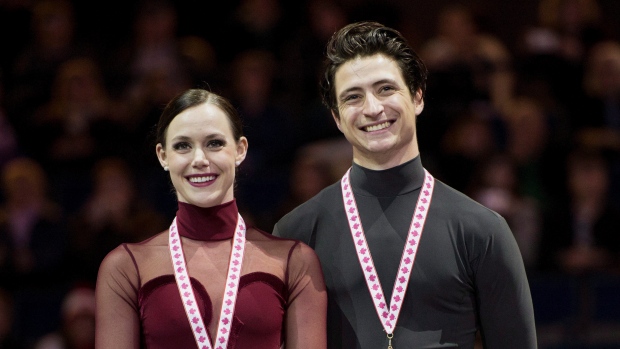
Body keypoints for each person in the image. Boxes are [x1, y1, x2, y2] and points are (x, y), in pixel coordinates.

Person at [273, 21, 537, 349]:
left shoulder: (482, 230)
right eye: (353, 97)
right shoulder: (296, 233)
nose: (372, 108)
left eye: (386, 89)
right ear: (337, 118)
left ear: (417, 97)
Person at [95, 88, 326, 348]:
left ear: (240, 150)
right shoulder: (125, 268)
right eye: (183, 146)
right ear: (163, 156)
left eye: (214, 143)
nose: (199, 160)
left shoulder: (294, 261)